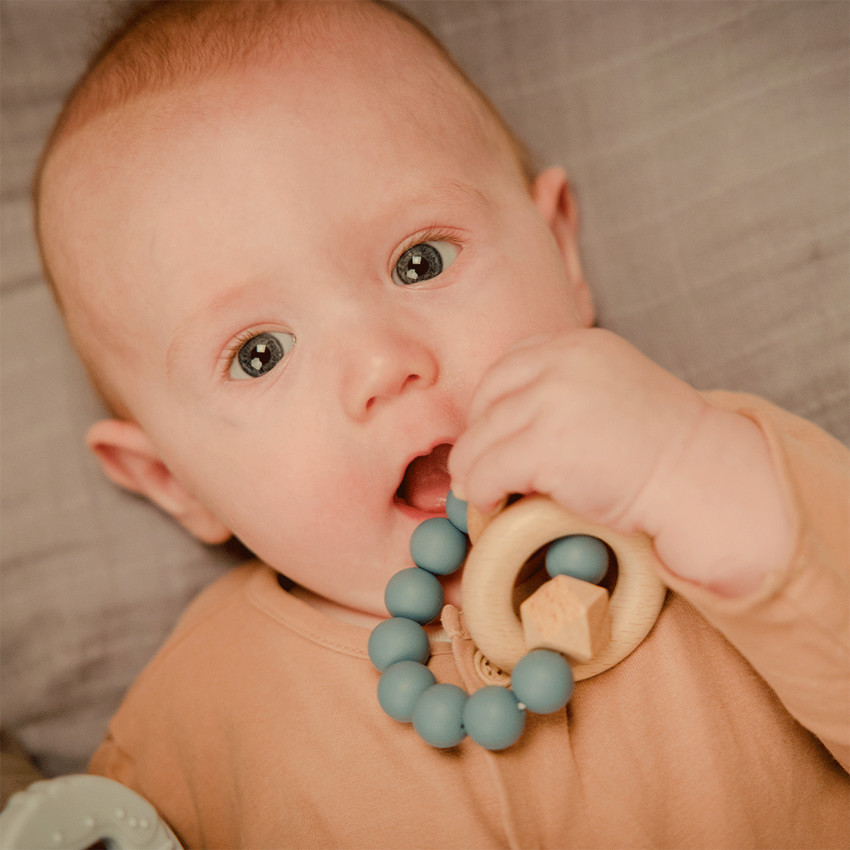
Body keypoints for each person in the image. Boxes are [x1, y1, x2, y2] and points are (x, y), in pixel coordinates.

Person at [33, 1, 848, 846]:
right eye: (260, 354)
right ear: (173, 479)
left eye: (419, 262)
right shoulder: (188, 727)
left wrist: (692, 469)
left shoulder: (720, 473)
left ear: (560, 253)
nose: (385, 364)